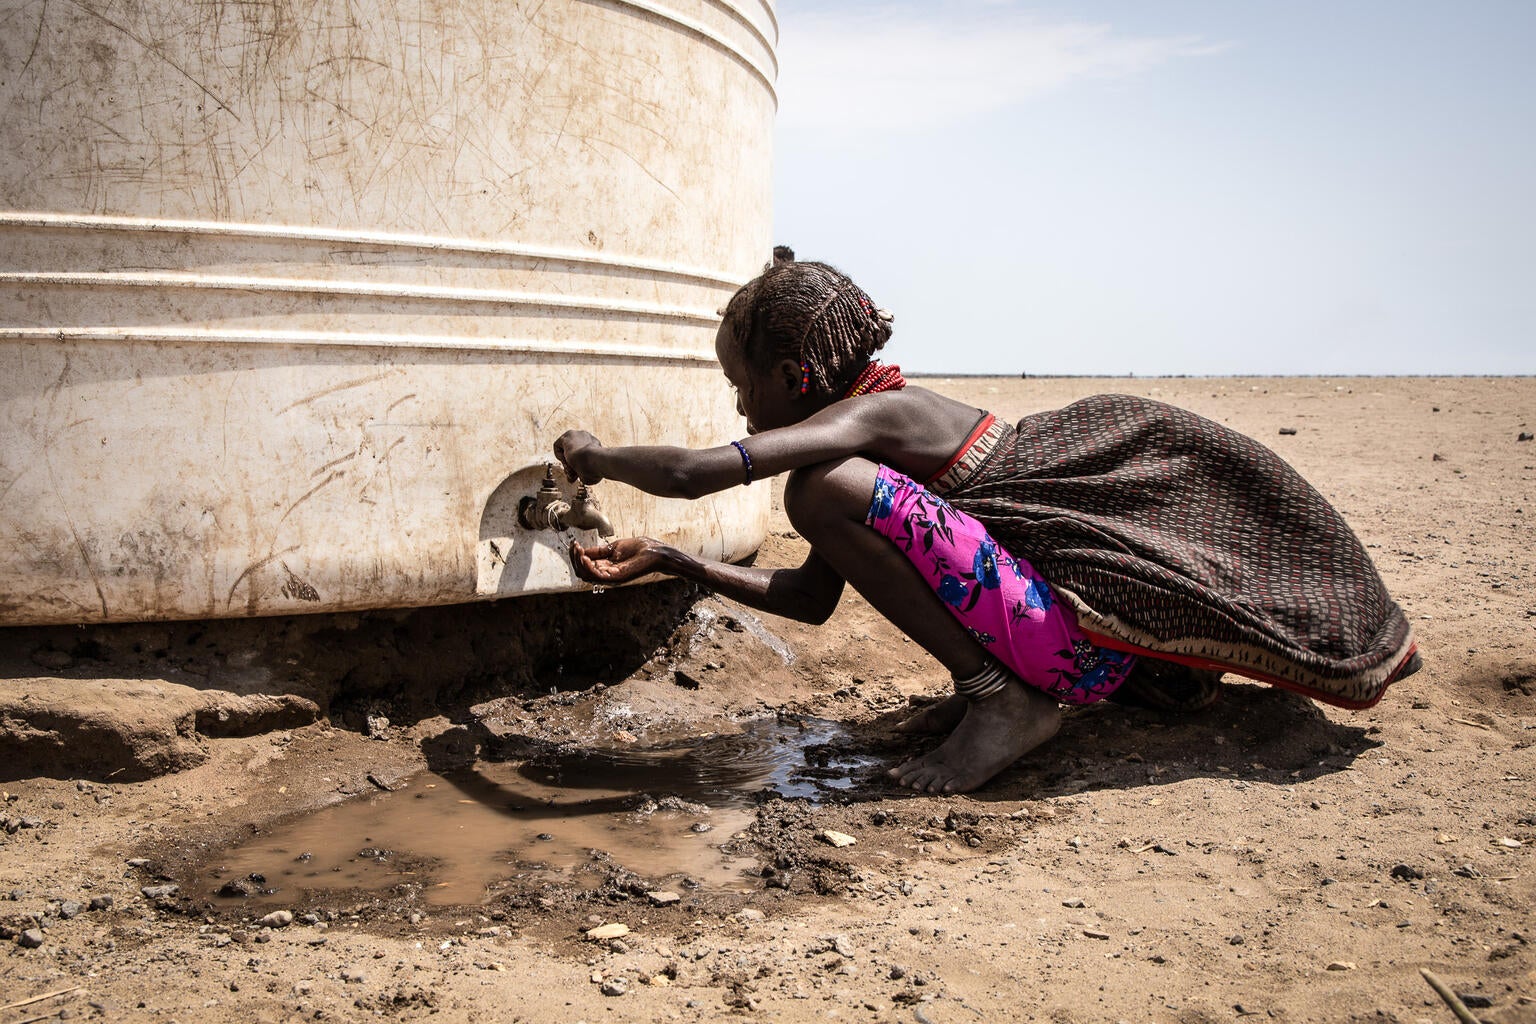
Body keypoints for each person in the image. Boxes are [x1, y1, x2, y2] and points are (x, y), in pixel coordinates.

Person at [552, 248, 1419, 794]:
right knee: (819, 498)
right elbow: (814, 599)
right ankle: (996, 694)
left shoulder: (870, 423)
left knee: (811, 494)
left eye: (741, 383)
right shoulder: (865, 440)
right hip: (1081, 653)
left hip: (1068, 656)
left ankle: (1002, 703)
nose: (738, 402)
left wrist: (595, 456)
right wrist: (675, 560)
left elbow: (698, 474)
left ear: (792, 373)